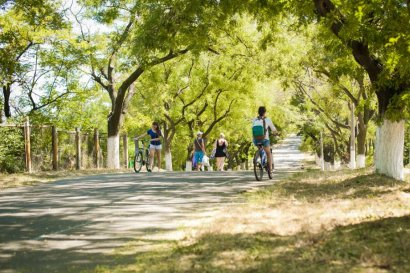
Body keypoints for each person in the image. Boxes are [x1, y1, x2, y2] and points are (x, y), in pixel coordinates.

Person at [252, 106, 278, 173]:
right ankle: (270, 169)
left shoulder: (254, 119)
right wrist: (276, 133)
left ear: (258, 112)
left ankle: (260, 161)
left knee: (260, 149)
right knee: (268, 153)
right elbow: (273, 129)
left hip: (255, 139)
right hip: (265, 139)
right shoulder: (267, 120)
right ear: (264, 112)